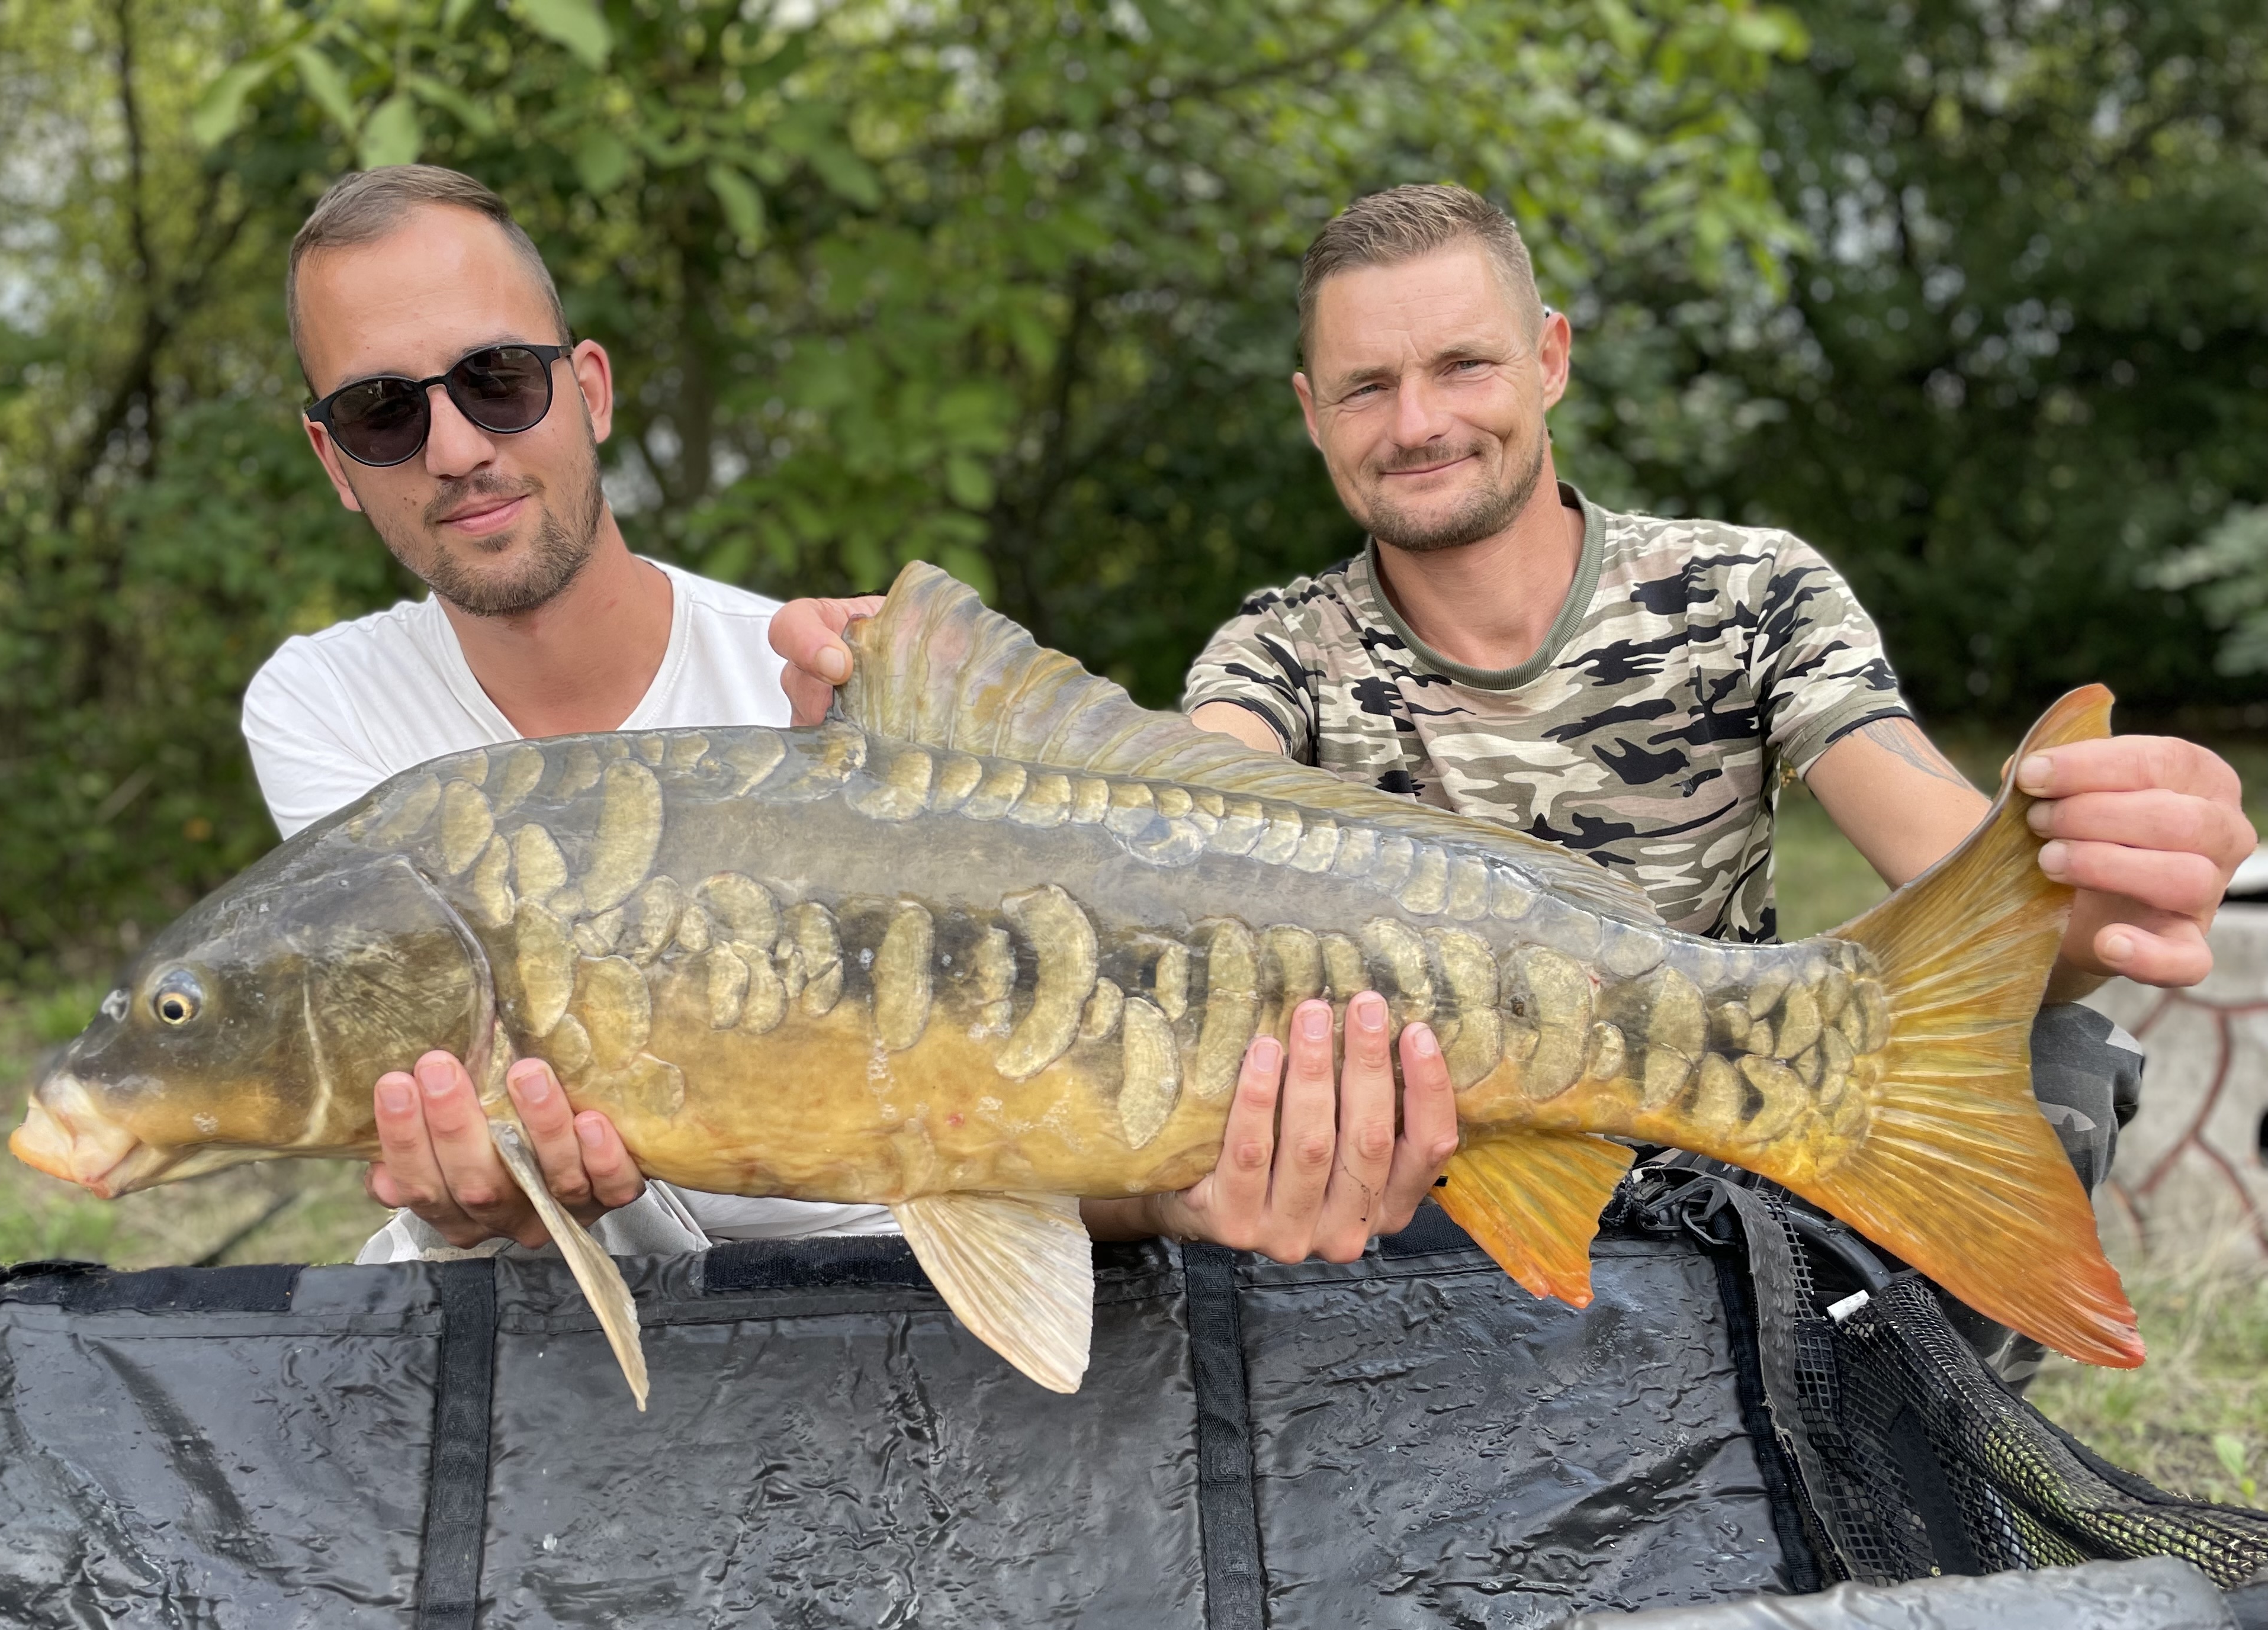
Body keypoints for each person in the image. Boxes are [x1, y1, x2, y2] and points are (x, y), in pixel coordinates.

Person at [773, 184, 2256, 1276]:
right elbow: (1151, 839)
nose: (1417, 421)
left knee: (2055, 1053)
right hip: (1425, 1195)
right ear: (1312, 411)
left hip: (1734, 1153)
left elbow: (1944, 862)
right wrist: (915, 770)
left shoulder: (1747, 593)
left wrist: (2079, 881)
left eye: (1462, 366)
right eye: (1367, 386)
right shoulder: (1277, 653)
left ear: (1548, 358)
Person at [247, 165, 1431, 1270]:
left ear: (590, 390)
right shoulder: (326, 708)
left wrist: (1176, 1189)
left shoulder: (821, 693)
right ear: (333, 460)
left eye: (499, 380)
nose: (457, 449)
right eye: (382, 414)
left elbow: (1010, 1132)